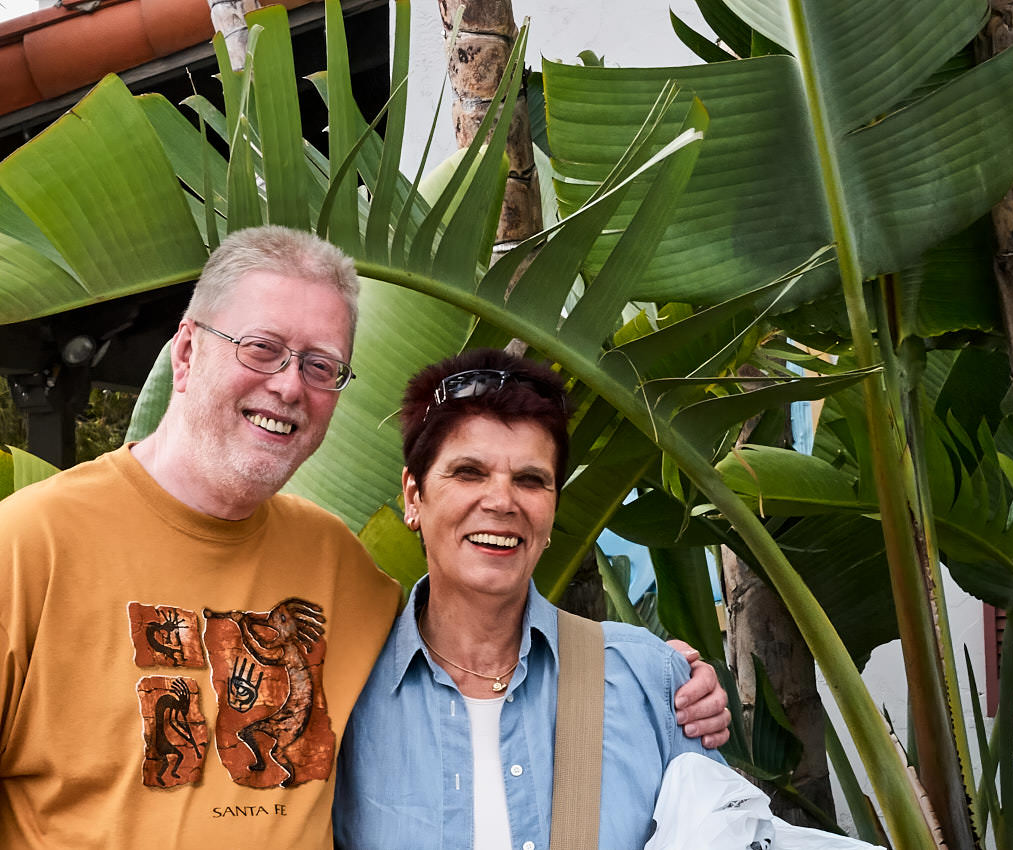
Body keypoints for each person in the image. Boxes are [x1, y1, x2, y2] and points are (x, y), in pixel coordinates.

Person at [0, 226, 727, 849]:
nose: (289, 386)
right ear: (186, 353)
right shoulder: (31, 545)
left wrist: (662, 672)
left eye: (320, 366)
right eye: (262, 349)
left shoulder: (334, 568)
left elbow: (468, 633)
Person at [333, 349, 728, 849]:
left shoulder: (648, 682)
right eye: (469, 472)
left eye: (530, 480)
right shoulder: (341, 687)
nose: (502, 501)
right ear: (414, 497)